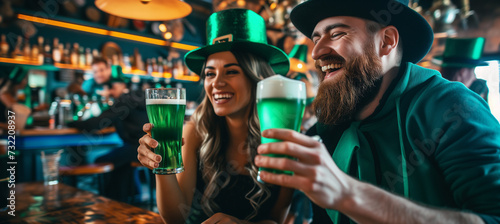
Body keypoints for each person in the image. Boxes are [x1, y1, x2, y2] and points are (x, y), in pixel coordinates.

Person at [254, 0, 500, 223]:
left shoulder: (452, 106)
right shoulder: (326, 129)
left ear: (387, 41)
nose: (317, 52)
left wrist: (348, 194)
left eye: (337, 33)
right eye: (316, 39)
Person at [137, 9, 293, 223]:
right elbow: (175, 218)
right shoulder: (193, 132)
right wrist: (160, 165)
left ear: (257, 79)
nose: (216, 83)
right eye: (210, 73)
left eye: (231, 71)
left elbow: (278, 219)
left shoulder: (284, 139)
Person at [68, 77, 148, 201]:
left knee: (102, 159)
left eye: (113, 88)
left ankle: (108, 201)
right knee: (122, 163)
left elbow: (99, 123)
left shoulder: (123, 100)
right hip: (148, 146)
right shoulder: (138, 98)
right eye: (108, 88)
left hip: (137, 147)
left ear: (123, 85)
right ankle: (131, 197)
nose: (110, 92)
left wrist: (71, 123)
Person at [437, 37, 489, 101]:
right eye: (473, 73)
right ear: (463, 72)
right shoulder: (461, 104)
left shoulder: (436, 94)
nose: (475, 78)